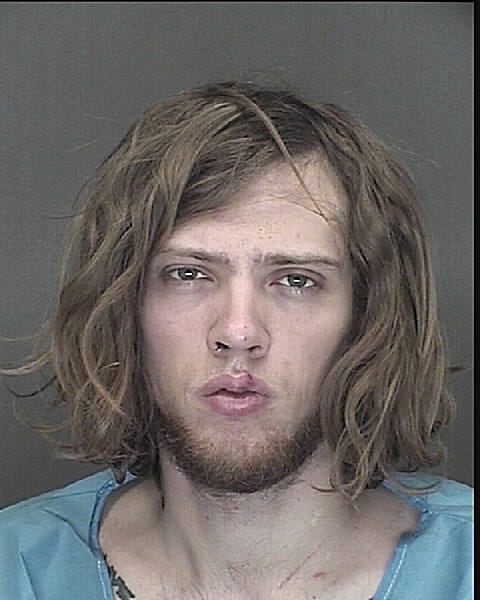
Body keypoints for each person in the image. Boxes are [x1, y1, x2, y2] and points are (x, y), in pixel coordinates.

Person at [0, 80, 472, 600]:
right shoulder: (18, 567)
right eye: (188, 274)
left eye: (296, 280)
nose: (238, 332)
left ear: (367, 317)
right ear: (124, 308)